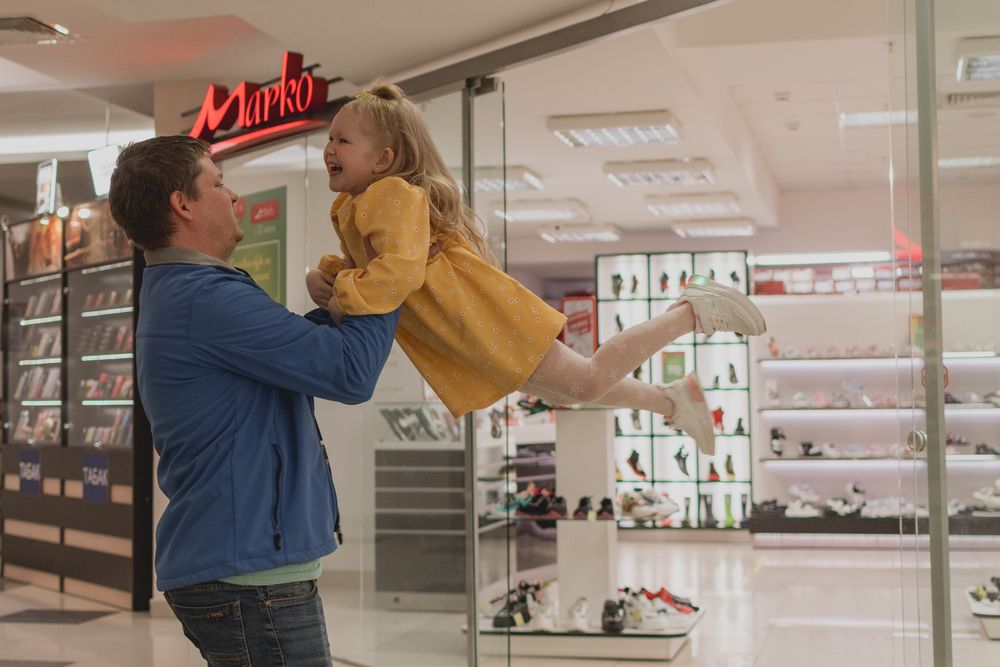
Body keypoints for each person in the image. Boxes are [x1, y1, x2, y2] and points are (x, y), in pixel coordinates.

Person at [307, 84, 766, 457]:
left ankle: (691, 312)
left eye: (343, 140)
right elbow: (372, 266)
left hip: (477, 316)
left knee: (587, 380)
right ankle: (671, 400)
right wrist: (326, 276)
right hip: (465, 323)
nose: (329, 148)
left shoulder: (388, 194)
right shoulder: (355, 204)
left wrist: (340, 288)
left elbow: (397, 275)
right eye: (330, 138)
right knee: (570, 389)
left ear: (383, 160)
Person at [109, 135, 399, 667]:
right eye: (218, 184)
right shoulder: (205, 297)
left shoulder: (191, 291)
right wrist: (392, 270)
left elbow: (295, 356)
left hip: (243, 567)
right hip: (250, 578)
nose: (234, 196)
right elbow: (350, 372)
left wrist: (338, 301)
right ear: (183, 203)